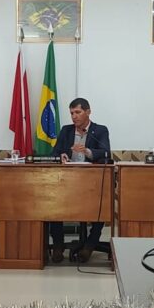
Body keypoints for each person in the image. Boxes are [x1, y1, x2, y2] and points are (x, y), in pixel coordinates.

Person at [49, 98, 111, 263]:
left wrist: (88, 151)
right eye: (71, 113)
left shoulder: (100, 130)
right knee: (51, 202)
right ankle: (58, 244)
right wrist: (61, 155)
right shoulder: (66, 131)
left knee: (103, 204)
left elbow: (106, 153)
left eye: (78, 112)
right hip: (67, 181)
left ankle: (90, 244)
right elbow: (54, 153)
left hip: (91, 182)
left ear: (88, 112)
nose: (74, 116)